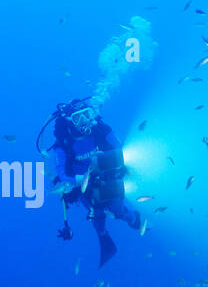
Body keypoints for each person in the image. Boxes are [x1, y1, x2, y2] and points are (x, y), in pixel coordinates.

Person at [39, 99, 141, 265]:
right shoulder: (63, 145)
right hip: (82, 186)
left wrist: (117, 166)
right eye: (78, 118)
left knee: (116, 207)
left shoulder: (101, 130)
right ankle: (103, 236)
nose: (84, 122)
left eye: (87, 115)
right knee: (96, 211)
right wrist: (84, 179)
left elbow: (118, 149)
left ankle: (133, 219)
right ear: (70, 121)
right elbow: (63, 175)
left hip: (107, 176)